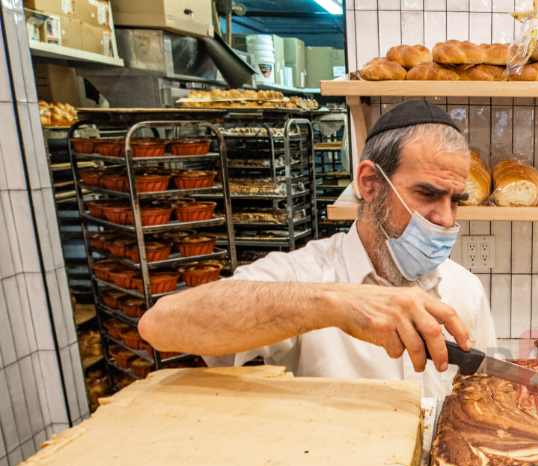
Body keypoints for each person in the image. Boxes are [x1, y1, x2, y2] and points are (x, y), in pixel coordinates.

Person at [139, 100, 497, 398]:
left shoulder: (466, 291)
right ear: (370, 184)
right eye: (429, 194)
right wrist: (337, 304)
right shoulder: (306, 274)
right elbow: (159, 325)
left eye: (456, 202)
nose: (447, 220)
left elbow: (489, 397)